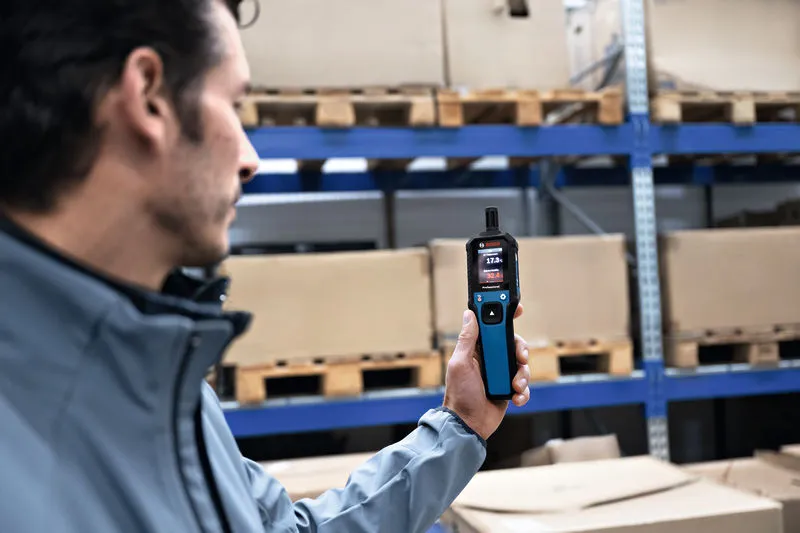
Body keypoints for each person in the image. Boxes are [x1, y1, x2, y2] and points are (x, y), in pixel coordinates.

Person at [0, 0, 532, 531]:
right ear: (149, 95)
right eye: (233, 105)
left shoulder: (165, 386)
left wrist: (460, 424)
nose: (250, 159)